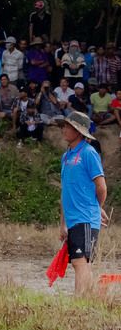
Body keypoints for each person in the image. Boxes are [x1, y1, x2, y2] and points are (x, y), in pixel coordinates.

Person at [58, 111, 109, 295]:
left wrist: (97, 208)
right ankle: (84, 300)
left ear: (78, 131)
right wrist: (63, 224)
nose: (63, 129)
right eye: (63, 125)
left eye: (67, 126)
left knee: (81, 261)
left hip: (86, 217)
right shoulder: (66, 157)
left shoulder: (88, 153)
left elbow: (101, 186)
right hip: (72, 219)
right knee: (78, 262)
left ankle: (80, 302)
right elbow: (65, 191)